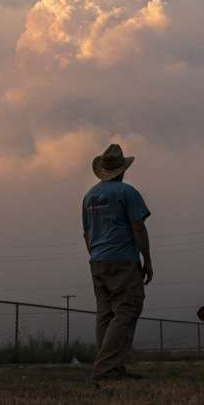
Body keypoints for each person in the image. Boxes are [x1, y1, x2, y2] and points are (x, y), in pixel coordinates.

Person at [82, 144, 153, 380]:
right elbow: (138, 228)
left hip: (97, 260)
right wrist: (147, 259)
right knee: (128, 308)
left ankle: (112, 366)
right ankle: (105, 367)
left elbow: (86, 233)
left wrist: (96, 255)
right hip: (123, 259)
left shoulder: (89, 196)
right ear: (122, 169)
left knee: (106, 314)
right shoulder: (127, 192)